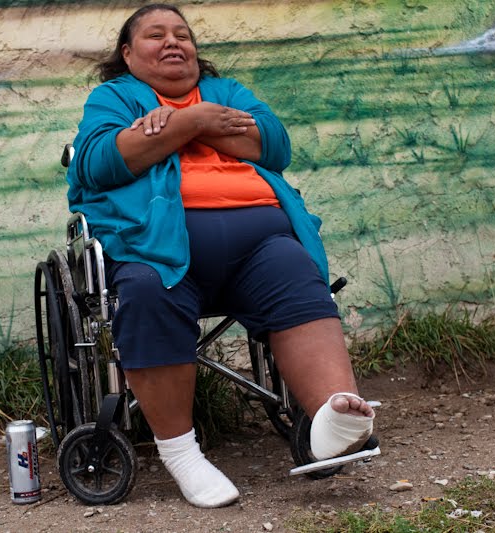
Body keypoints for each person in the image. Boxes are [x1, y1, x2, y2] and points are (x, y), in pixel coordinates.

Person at [66, 3, 375, 508]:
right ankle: (183, 453)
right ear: (127, 53)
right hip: (156, 247)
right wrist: (205, 124)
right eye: (155, 35)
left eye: (182, 35)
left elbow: (271, 144)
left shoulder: (227, 91)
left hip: (262, 243)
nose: (173, 42)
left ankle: (332, 421)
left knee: (296, 270)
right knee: (148, 288)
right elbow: (102, 163)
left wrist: (182, 123)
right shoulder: (114, 97)